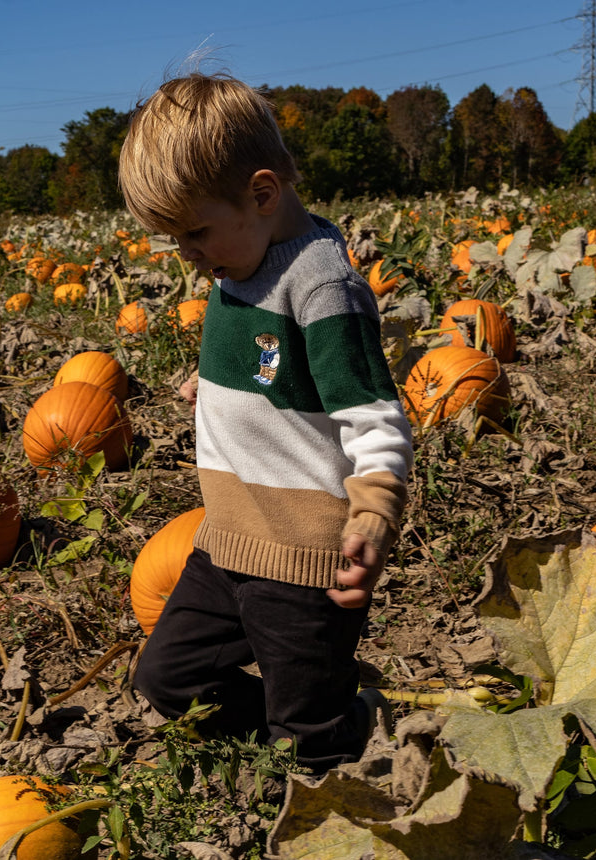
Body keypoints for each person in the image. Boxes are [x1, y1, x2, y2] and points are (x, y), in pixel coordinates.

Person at [118, 70, 414, 772]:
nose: (186, 254)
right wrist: (212, 389)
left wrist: (374, 514)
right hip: (227, 541)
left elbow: (374, 414)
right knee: (168, 680)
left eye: (194, 231)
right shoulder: (236, 263)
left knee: (306, 747)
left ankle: (331, 741)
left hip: (304, 561)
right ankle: (335, 722)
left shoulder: (322, 288)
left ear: (260, 194)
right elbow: (265, 364)